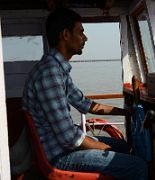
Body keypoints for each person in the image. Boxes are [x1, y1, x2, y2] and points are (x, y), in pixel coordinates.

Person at [22, 8, 148, 180]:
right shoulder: (49, 74)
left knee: (122, 147)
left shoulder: (57, 69)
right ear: (65, 35)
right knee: (138, 167)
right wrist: (102, 147)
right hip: (59, 157)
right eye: (81, 32)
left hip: (64, 147)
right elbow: (69, 137)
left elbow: (85, 104)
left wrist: (126, 112)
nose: (85, 38)